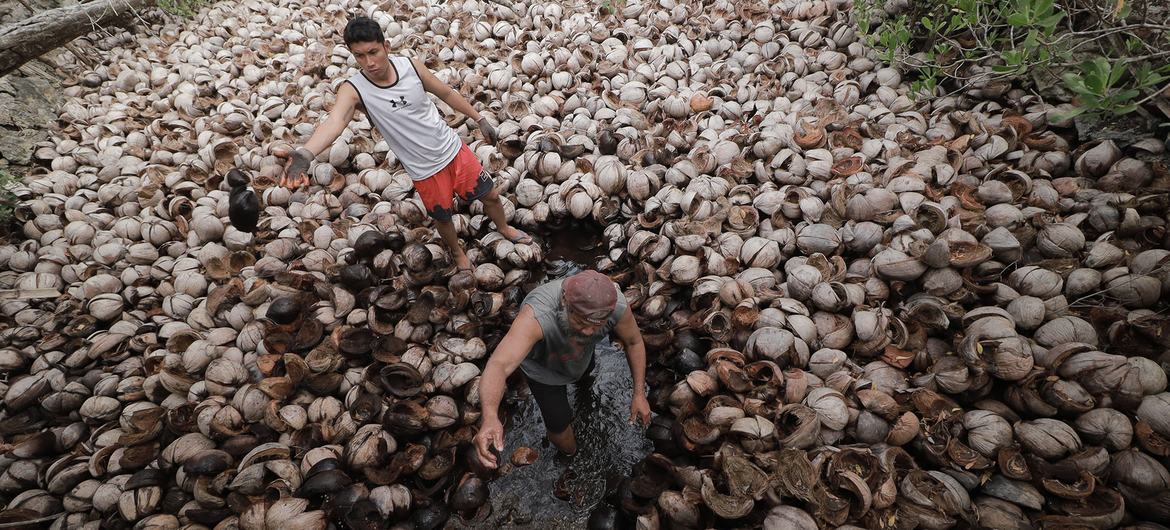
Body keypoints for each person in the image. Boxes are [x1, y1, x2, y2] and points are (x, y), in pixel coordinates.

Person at [271, 16, 531, 271]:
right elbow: (335, 122)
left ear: (386, 46)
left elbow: (446, 93)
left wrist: (479, 118)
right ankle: (456, 251)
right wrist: (306, 153)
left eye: (373, 52)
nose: (369, 62)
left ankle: (504, 227)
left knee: (491, 195)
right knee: (443, 217)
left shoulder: (411, 66)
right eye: (360, 56)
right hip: (424, 170)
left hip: (453, 150)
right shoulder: (355, 89)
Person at [474, 269, 652, 469]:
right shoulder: (537, 316)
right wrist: (490, 416)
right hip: (543, 371)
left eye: (597, 325)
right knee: (558, 425)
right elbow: (499, 364)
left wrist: (639, 393)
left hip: (580, 359)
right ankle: (572, 457)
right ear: (565, 303)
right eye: (581, 322)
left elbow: (634, 342)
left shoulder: (616, 306)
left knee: (586, 376)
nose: (588, 331)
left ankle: (584, 389)